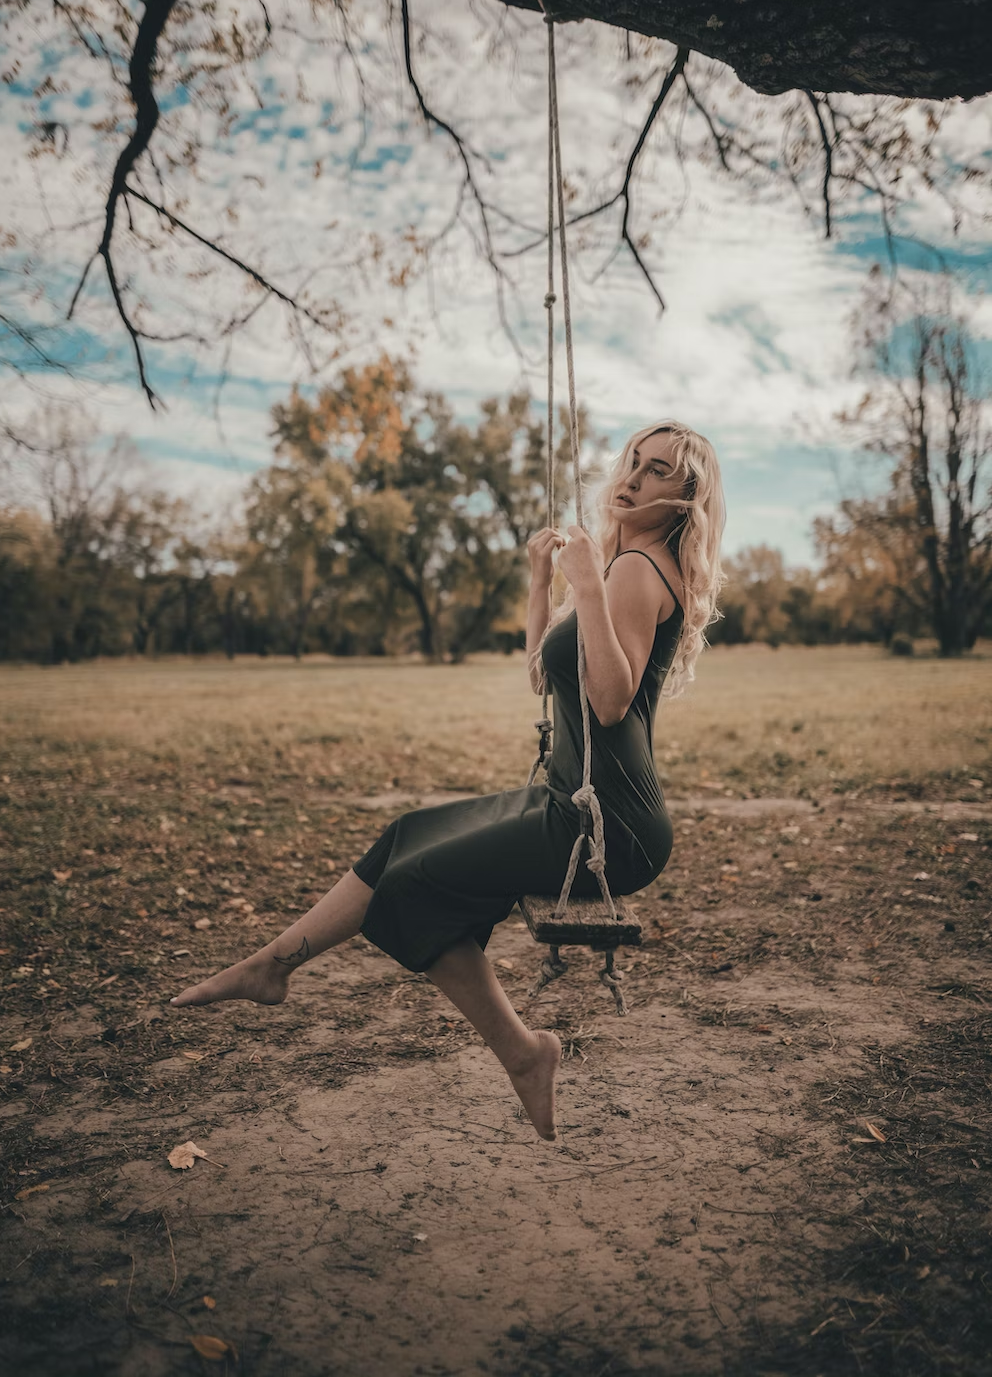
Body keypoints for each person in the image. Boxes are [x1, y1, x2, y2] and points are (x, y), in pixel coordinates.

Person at [172, 421, 726, 1141]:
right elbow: (542, 676)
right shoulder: (623, 563)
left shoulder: (632, 571)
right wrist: (543, 585)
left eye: (655, 473)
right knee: (405, 835)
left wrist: (588, 581)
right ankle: (271, 965)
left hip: (606, 826)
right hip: (572, 800)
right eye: (632, 463)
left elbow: (612, 703)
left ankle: (525, 1054)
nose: (631, 480)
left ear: (686, 498)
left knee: (413, 888)